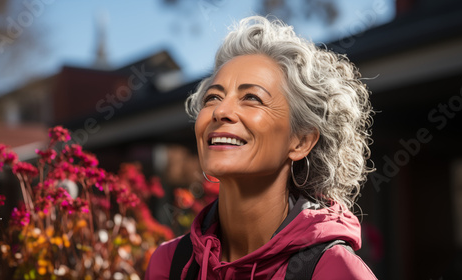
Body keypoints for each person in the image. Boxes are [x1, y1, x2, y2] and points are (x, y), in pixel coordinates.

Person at [145, 15, 377, 279]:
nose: (221, 111)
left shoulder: (335, 270)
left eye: (252, 98)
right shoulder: (169, 264)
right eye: (213, 97)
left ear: (300, 141)